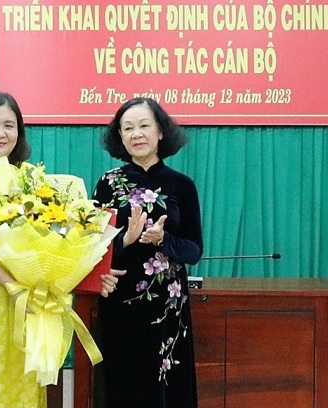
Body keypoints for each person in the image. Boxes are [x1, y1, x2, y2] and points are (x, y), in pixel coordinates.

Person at [0, 91, 120, 408]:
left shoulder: (26, 176)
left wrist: (93, 271)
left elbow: (59, 236)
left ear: (19, 132)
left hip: (28, 295)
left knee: (21, 379)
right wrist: (11, 285)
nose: (0, 133)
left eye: (9, 125)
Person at [93, 97, 204, 408]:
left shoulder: (182, 185)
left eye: (144, 126)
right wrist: (125, 241)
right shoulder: (107, 183)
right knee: (123, 381)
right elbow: (92, 249)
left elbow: (194, 250)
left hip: (168, 304)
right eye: (127, 128)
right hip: (119, 298)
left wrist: (162, 239)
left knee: (167, 386)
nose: (136, 134)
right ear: (120, 137)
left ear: (160, 133)